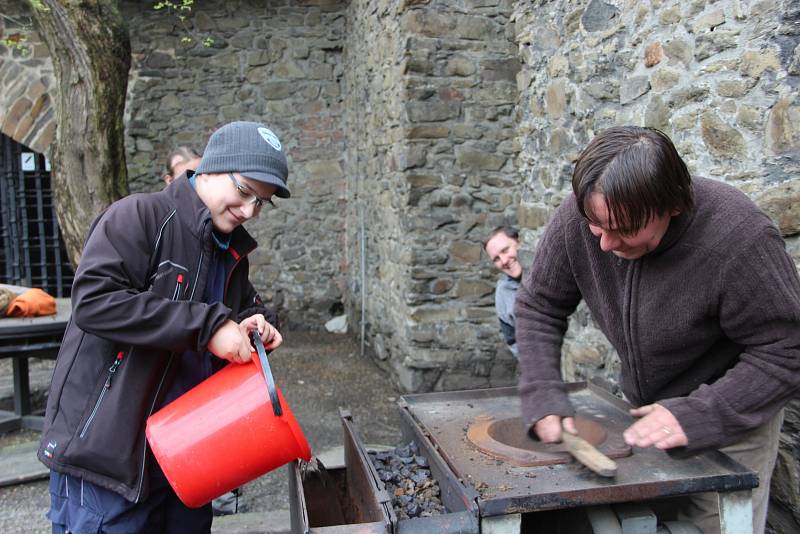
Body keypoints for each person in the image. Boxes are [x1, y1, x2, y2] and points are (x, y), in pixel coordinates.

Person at [515, 126, 800, 534]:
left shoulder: (741, 238)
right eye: (596, 226)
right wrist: (542, 391)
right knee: (643, 521)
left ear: (673, 206)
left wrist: (702, 413)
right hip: (645, 412)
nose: (605, 245)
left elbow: (787, 347)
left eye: (625, 229)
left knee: (712, 527)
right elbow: (539, 304)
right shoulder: (578, 218)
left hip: (734, 410)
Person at [38, 121, 291, 533]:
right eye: (245, 192)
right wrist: (209, 328)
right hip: (109, 464)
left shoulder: (229, 247)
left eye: (261, 203)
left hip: (187, 459)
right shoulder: (138, 215)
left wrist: (256, 323)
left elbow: (244, 307)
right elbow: (94, 303)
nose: (249, 211)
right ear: (209, 169)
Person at [484, 226, 522, 358]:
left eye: (505, 250)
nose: (504, 261)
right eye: (496, 259)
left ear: (519, 242)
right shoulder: (502, 292)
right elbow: (512, 339)